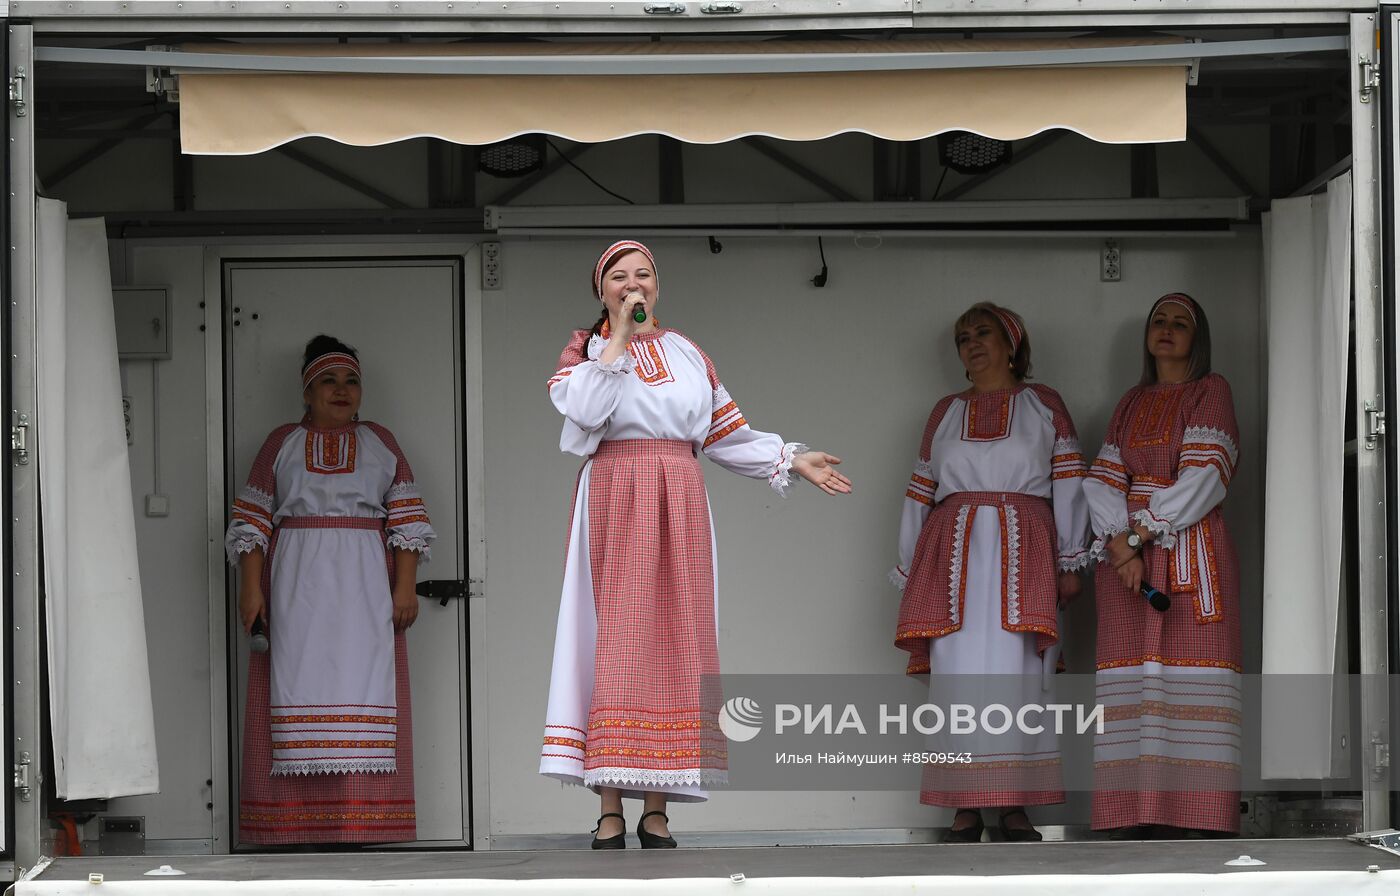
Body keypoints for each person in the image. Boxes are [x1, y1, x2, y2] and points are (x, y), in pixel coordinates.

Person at [539, 239, 852, 849]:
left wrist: (789, 458)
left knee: (676, 638)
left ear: (658, 285)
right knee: (617, 639)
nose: (634, 284)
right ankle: (609, 805)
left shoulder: (688, 352)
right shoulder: (587, 353)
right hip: (617, 494)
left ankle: (657, 807)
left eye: (644, 275)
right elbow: (586, 412)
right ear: (602, 291)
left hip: (679, 496)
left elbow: (724, 432)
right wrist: (618, 340)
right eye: (620, 277)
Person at [891, 302, 1089, 843]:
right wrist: (911, 567)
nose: (972, 344)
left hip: (1025, 555)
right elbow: (921, 491)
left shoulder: (1044, 404)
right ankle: (964, 806)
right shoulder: (944, 412)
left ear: (1012, 345)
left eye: (983, 333)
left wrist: (1071, 557)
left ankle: (1014, 805)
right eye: (963, 338)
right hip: (952, 559)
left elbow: (1069, 481)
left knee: (1021, 676)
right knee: (956, 679)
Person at [225, 335, 435, 846]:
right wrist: (250, 590)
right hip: (296, 585)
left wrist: (405, 589)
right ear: (307, 391)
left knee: (365, 687)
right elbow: (252, 522)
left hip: (365, 588)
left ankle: (359, 826)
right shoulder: (281, 444)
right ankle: (292, 827)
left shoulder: (381, 442)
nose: (342, 390)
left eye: (351, 381)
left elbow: (407, 520)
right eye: (328, 380)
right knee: (291, 683)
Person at [1083, 292, 1241, 839]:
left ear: (1198, 339)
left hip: (1189, 548)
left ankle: (1198, 817)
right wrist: (1121, 545)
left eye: (1180, 323)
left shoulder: (1210, 390)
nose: (1167, 329)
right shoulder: (1131, 400)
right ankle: (1131, 814)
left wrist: (1136, 535)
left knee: (1190, 676)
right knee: (1131, 677)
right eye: (1158, 321)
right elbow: (1101, 479)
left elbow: (1206, 475)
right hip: (1125, 559)